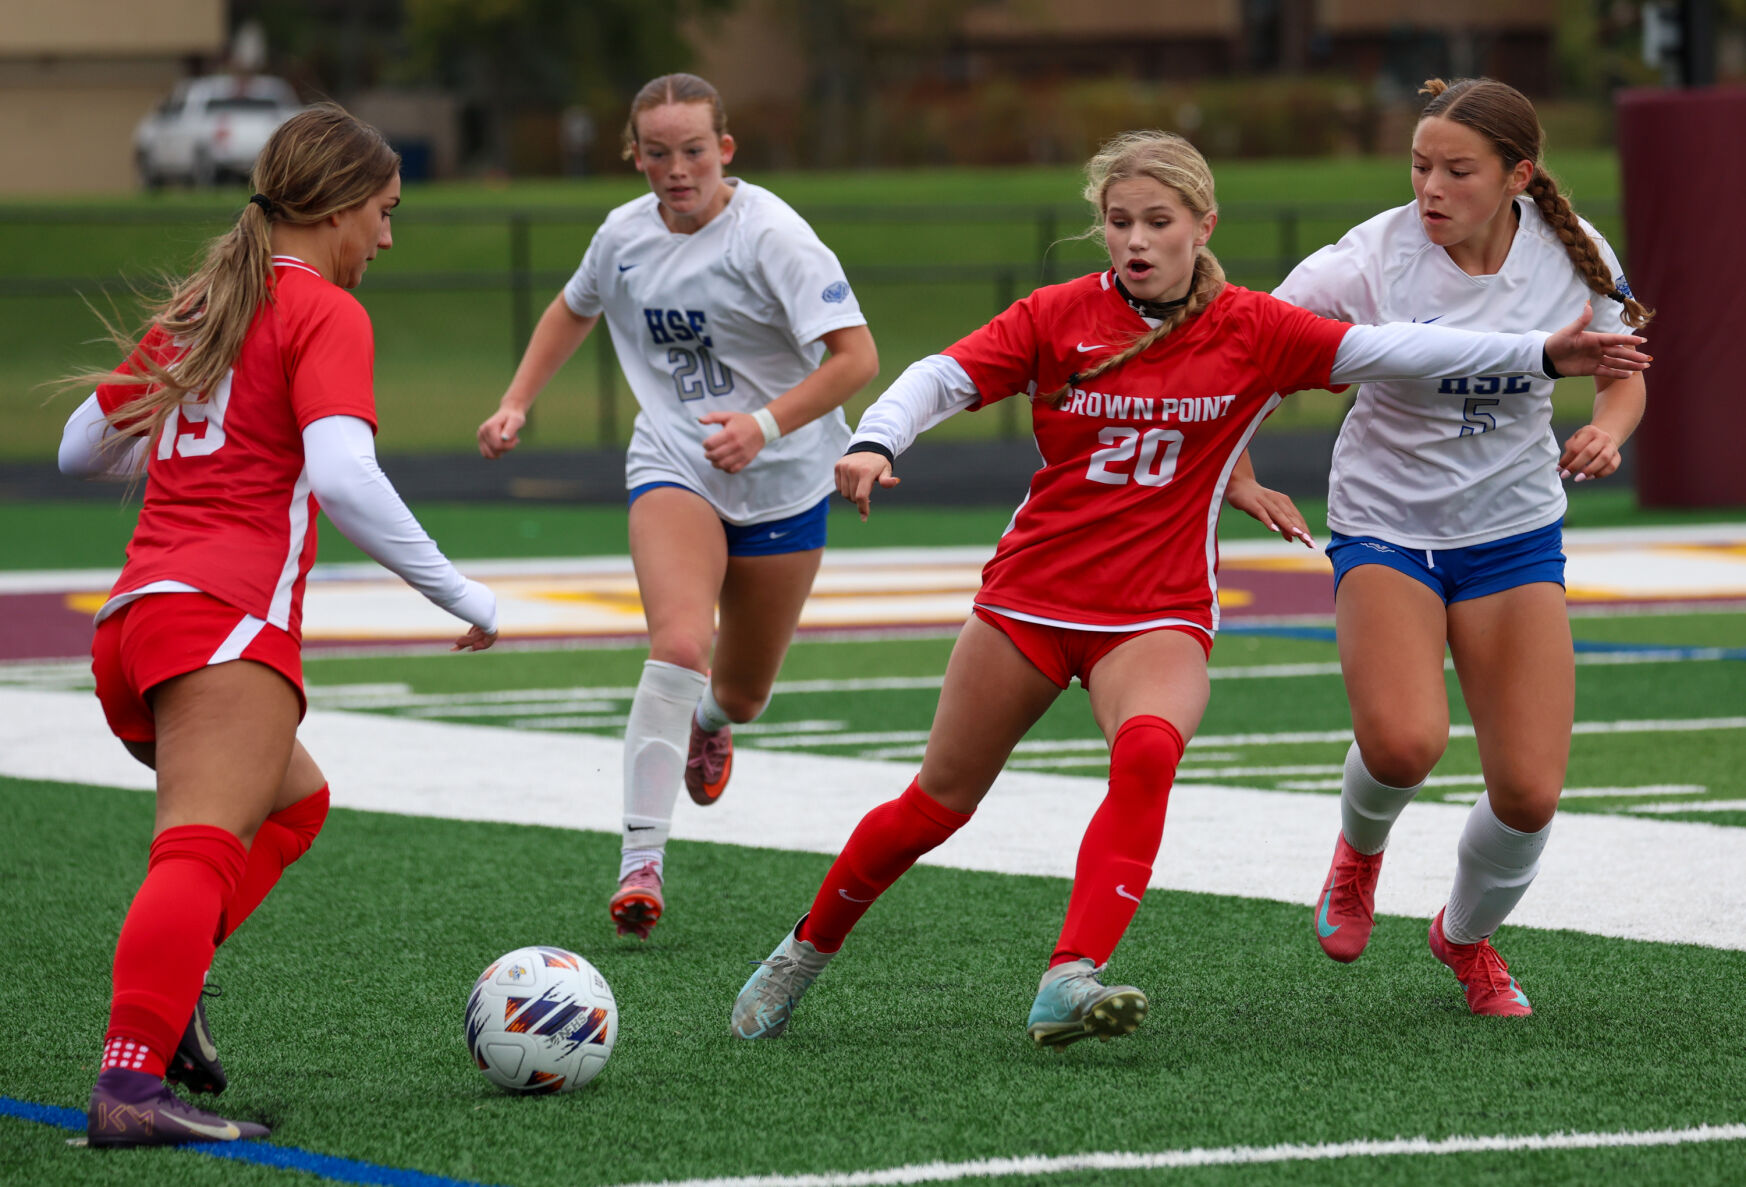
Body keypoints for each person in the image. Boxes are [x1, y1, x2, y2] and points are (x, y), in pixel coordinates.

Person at [727, 129, 1648, 1047]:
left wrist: (1539, 357)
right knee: (937, 802)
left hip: (1158, 613)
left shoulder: (1253, 328)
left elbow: (1395, 350)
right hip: (1030, 601)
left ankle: (1068, 975)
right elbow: (942, 374)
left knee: (1148, 754)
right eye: (1118, 221)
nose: (1135, 239)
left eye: (1157, 221)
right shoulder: (1054, 315)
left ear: (1202, 225)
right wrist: (877, 438)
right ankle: (803, 951)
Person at [58, 104, 499, 1147]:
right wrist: (463, 595)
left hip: (135, 622)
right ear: (341, 206)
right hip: (223, 619)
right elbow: (344, 474)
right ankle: (130, 1081)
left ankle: (176, 994)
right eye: (384, 213)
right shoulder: (324, 310)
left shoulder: (212, 298)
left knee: (296, 804)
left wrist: (199, 453)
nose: (386, 238)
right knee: (198, 850)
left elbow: (83, 445)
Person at [1222, 78, 1651, 1017]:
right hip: (1389, 525)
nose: (1432, 188)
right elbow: (1248, 346)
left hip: (1513, 535)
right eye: (1421, 166)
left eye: (1458, 170)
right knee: (1405, 742)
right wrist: (1241, 470)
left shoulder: (1572, 256)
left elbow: (1625, 374)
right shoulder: (1373, 254)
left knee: (1532, 794)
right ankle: (1358, 854)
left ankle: (1463, 938)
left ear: (1518, 177)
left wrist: (1610, 427)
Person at [475, 73, 878, 941]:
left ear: (724, 150)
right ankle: (641, 860)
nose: (676, 169)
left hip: (786, 475)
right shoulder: (622, 234)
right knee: (680, 641)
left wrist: (765, 425)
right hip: (676, 462)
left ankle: (710, 724)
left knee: (741, 690)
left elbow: (855, 358)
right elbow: (570, 309)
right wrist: (516, 401)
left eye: (693, 150)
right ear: (636, 156)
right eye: (657, 153)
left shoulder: (773, 235)